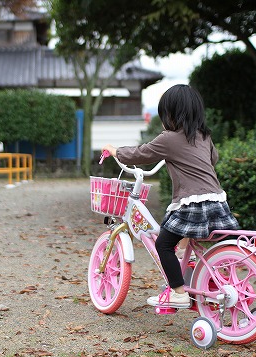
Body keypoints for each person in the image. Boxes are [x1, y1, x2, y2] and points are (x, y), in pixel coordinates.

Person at [102, 84, 239, 308]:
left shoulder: (169, 139)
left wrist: (115, 150)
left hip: (192, 203)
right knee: (184, 234)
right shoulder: (204, 136)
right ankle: (189, 258)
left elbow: (141, 153)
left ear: (171, 114)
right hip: (217, 201)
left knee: (164, 244)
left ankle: (178, 292)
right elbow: (213, 159)